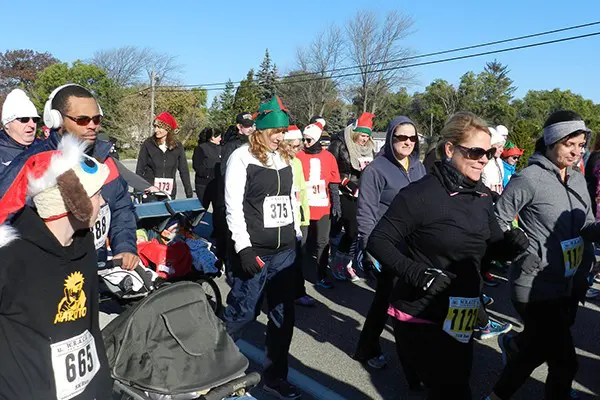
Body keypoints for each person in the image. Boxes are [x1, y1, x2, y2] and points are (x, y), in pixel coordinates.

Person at [367, 112, 528, 399]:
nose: (484, 159)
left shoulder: (480, 195)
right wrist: (417, 273)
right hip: (422, 312)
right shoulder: (419, 194)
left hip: (464, 310)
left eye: (489, 152)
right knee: (451, 390)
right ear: (450, 149)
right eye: (476, 152)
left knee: (460, 377)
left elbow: (490, 247)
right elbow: (378, 241)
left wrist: (510, 246)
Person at [486, 110, 600, 400]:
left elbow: (586, 224)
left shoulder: (576, 179)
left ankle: (503, 379)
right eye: (568, 144)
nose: (576, 152)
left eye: (580, 145)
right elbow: (497, 219)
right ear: (551, 143)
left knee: (537, 350)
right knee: (565, 362)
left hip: (570, 281)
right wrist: (519, 244)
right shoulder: (530, 178)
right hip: (535, 283)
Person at [0, 135, 112, 399]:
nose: (104, 202)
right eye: (97, 194)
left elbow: (90, 325)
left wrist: (101, 386)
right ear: (76, 203)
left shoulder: (84, 246)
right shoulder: (11, 256)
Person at [0, 84, 138, 270]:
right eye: (82, 120)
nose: (92, 126)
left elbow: (122, 208)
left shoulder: (106, 161)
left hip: (95, 269)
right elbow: (5, 217)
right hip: (48, 276)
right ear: (56, 120)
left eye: (97, 119)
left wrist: (125, 247)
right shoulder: (34, 164)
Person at [223, 96, 301, 399]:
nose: (280, 138)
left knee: (284, 318)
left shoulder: (284, 159)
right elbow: (233, 206)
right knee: (242, 314)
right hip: (255, 251)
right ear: (260, 131)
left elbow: (289, 200)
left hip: (285, 253)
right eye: (275, 133)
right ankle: (216, 371)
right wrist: (243, 248)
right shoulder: (242, 157)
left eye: (283, 132)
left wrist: (296, 234)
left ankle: (275, 376)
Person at [353, 116, 426, 376]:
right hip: (388, 246)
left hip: (416, 246)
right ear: (391, 138)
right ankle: (367, 349)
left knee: (411, 298)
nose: (407, 142)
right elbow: (366, 211)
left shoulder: (419, 167)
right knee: (385, 300)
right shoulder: (376, 169)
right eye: (400, 137)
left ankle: (415, 352)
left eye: (411, 137)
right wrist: (370, 246)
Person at [328, 112, 377, 281]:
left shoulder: (370, 148)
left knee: (359, 233)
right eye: (362, 135)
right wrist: (344, 181)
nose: (364, 139)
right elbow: (329, 167)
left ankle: (347, 263)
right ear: (355, 133)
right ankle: (337, 262)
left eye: (367, 136)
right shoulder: (340, 144)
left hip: (364, 192)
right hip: (344, 192)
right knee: (352, 229)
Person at [296, 118, 342, 290]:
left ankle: (322, 275)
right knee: (301, 243)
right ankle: (297, 278)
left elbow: (334, 183)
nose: (305, 143)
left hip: (323, 207)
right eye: (304, 139)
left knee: (323, 242)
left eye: (308, 140)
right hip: (304, 208)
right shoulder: (298, 156)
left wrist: (337, 204)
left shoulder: (329, 157)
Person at [212, 112, 256, 264]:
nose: (250, 129)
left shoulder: (255, 142)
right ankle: (226, 258)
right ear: (239, 127)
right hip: (238, 191)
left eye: (252, 126)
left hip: (252, 192)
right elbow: (225, 171)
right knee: (232, 227)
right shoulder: (232, 145)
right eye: (246, 126)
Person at [282, 125, 315, 307]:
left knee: (297, 257)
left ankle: (298, 292)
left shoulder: (297, 162)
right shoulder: (275, 161)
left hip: (298, 217)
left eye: (298, 146)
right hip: (281, 219)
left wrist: (305, 217)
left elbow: (302, 190)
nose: (296, 150)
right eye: (293, 146)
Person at [136, 112, 193, 200]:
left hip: (169, 194)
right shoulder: (147, 144)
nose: (156, 130)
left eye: (159, 127)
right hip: (150, 192)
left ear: (168, 129)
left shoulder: (178, 147)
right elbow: (139, 169)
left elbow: (184, 171)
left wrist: (189, 195)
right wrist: (137, 192)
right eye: (155, 126)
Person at [0, 88, 41, 174]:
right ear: (7, 124)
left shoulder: (43, 146)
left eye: (35, 119)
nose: (32, 125)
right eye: (24, 119)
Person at [192, 127, 222, 209]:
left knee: (218, 210)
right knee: (201, 209)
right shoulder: (201, 148)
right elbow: (197, 166)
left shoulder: (221, 148)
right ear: (212, 137)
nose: (221, 138)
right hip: (203, 184)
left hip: (217, 184)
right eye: (219, 136)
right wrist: (209, 174)